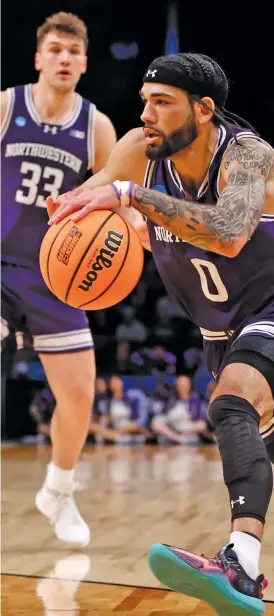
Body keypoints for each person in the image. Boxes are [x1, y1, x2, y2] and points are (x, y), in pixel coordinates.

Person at [48, 53, 274, 616]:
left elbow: (228, 233)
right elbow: (94, 207)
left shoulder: (247, 156)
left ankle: (240, 563)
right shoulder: (138, 153)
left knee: (230, 402)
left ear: (204, 109)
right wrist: (68, 221)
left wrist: (131, 199)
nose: (145, 113)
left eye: (161, 102)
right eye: (144, 100)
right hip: (221, 335)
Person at [1, 12, 117, 547]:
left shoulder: (96, 127)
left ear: (85, 63)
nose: (65, 58)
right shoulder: (6, 106)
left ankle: (59, 491)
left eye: (74, 51)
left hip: (56, 275)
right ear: (39, 58)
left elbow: (112, 202)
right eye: (56, 49)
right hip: (1, 268)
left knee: (78, 395)